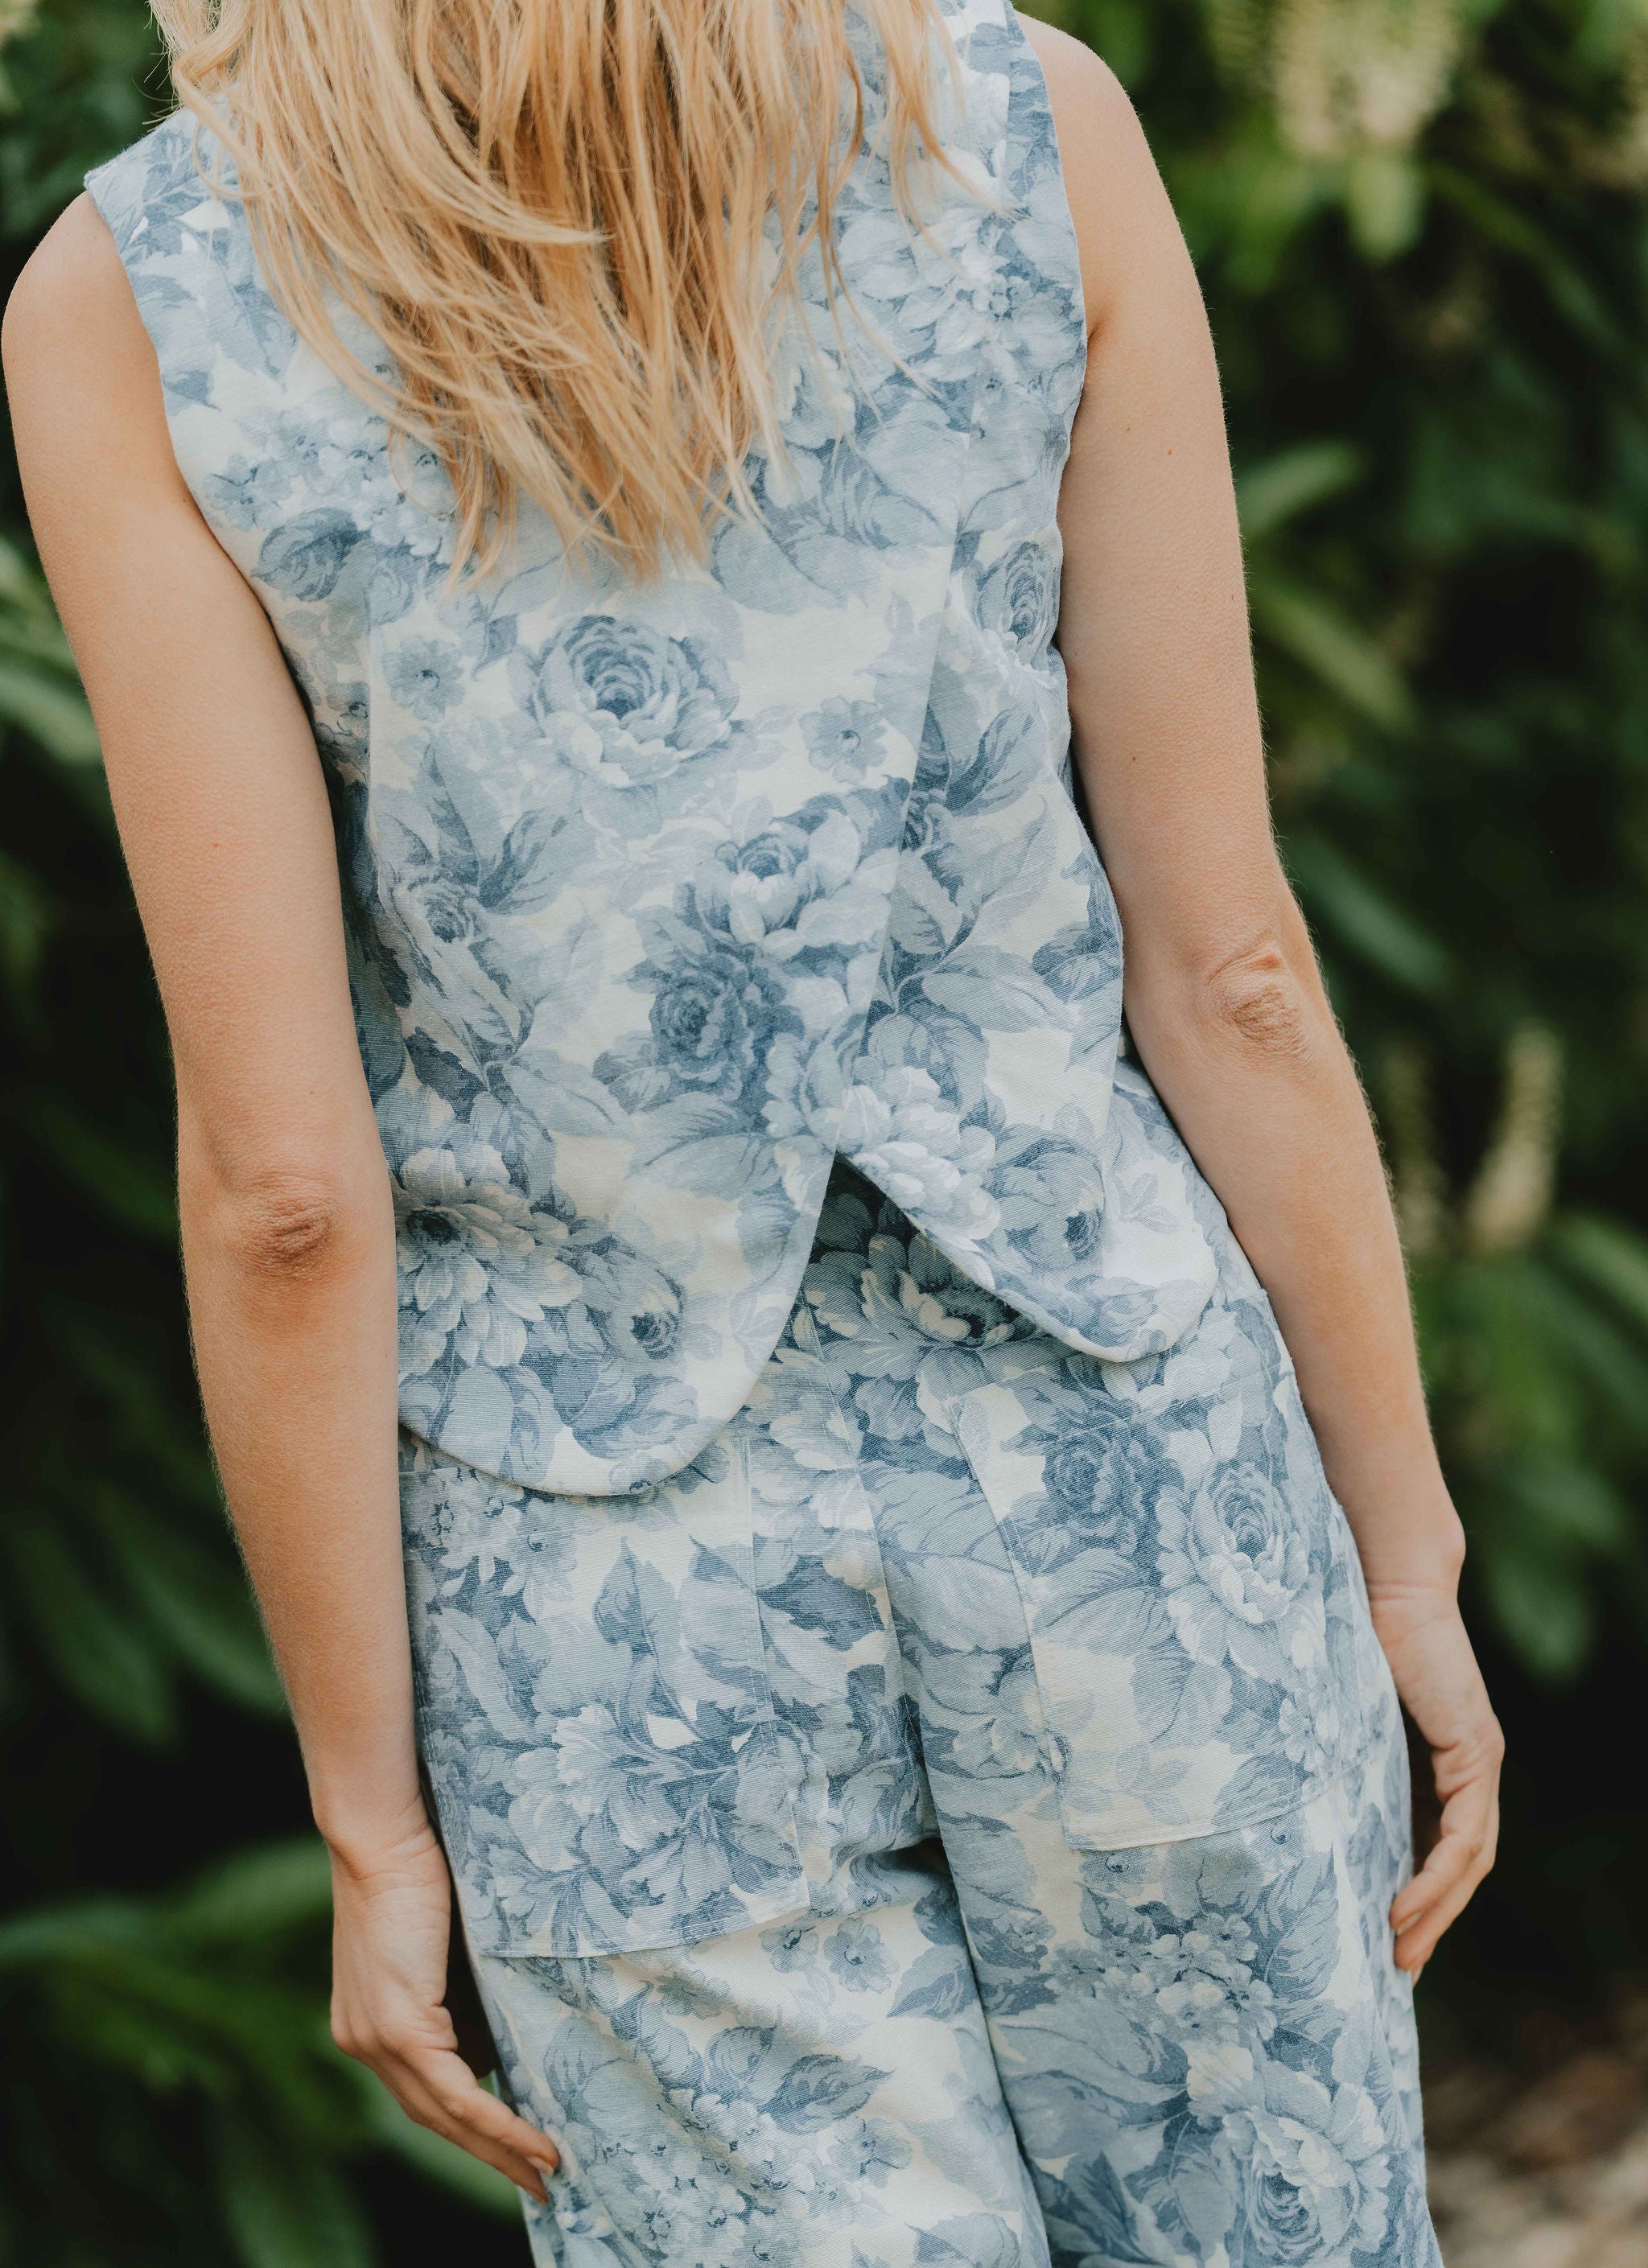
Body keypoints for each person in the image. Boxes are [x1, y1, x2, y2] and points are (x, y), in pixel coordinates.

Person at [4, 0, 1501, 2258]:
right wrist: (1401, 1552)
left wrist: (370, 1818)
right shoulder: (1024, 125)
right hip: (1120, 1479)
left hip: (610, 1600)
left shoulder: (132, 298)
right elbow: (1236, 974)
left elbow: (285, 1195)